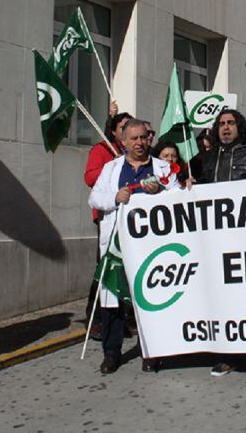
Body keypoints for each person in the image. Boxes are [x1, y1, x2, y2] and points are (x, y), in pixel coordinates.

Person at [89, 119, 179, 374]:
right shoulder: (111, 168)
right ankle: (111, 353)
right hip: (118, 245)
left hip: (151, 246)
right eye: (134, 139)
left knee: (148, 299)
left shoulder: (163, 168)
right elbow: (93, 197)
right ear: (124, 142)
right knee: (113, 301)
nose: (139, 143)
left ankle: (150, 352)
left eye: (143, 138)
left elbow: (177, 197)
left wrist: (159, 194)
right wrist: (114, 198)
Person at [194, 109, 246, 378]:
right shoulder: (206, 160)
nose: (226, 128)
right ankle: (227, 356)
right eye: (221, 124)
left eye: (230, 123)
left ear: (239, 126)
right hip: (218, 243)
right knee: (225, 301)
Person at [83, 109, 132, 338]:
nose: (126, 131)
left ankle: (119, 320)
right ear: (114, 131)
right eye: (122, 127)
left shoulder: (132, 154)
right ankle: (95, 318)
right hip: (108, 216)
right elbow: (90, 178)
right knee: (105, 268)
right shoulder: (103, 150)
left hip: (130, 219)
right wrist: (112, 167)